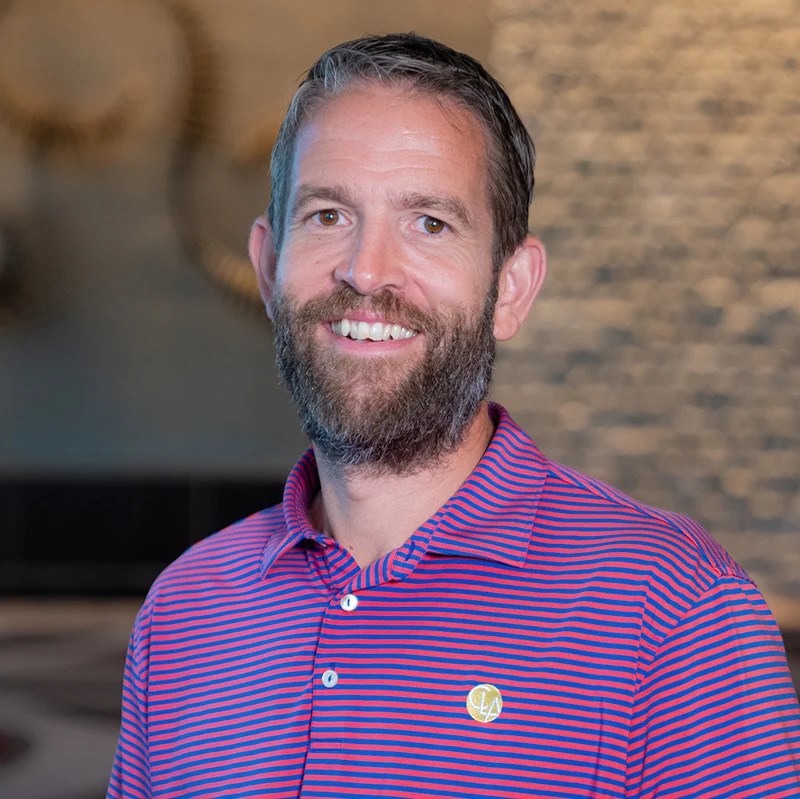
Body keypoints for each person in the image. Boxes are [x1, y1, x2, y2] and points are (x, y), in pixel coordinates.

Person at [107, 33, 800, 799]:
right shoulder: (185, 611)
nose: (366, 271)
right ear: (269, 266)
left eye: (429, 223)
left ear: (511, 288)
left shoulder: (677, 612)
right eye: (328, 215)